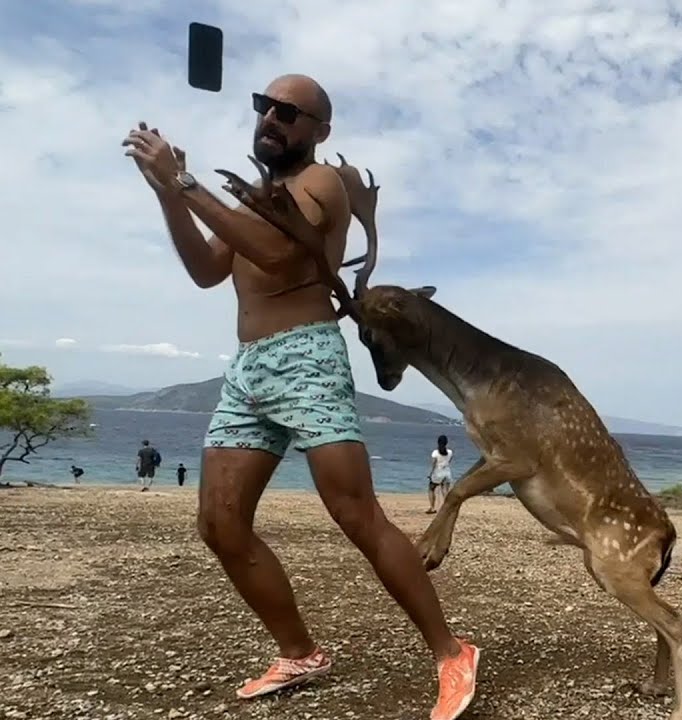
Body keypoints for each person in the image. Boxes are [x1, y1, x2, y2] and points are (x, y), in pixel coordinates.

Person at [121, 73, 479, 719]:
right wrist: (167, 197)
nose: (271, 119)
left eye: (290, 112)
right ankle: (300, 652)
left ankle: (451, 652)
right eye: (265, 107)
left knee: (356, 514)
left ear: (320, 130)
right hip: (250, 368)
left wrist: (186, 182)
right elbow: (209, 271)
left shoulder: (321, 184)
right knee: (220, 522)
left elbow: (280, 257)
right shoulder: (254, 196)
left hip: (307, 357)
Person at [427, 435, 453, 514]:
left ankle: (432, 507)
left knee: (431, 489)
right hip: (447, 473)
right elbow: (449, 462)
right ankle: (447, 508)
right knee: (445, 491)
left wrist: (430, 474)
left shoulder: (435, 453)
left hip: (438, 473)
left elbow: (434, 464)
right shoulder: (450, 452)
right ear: (446, 443)